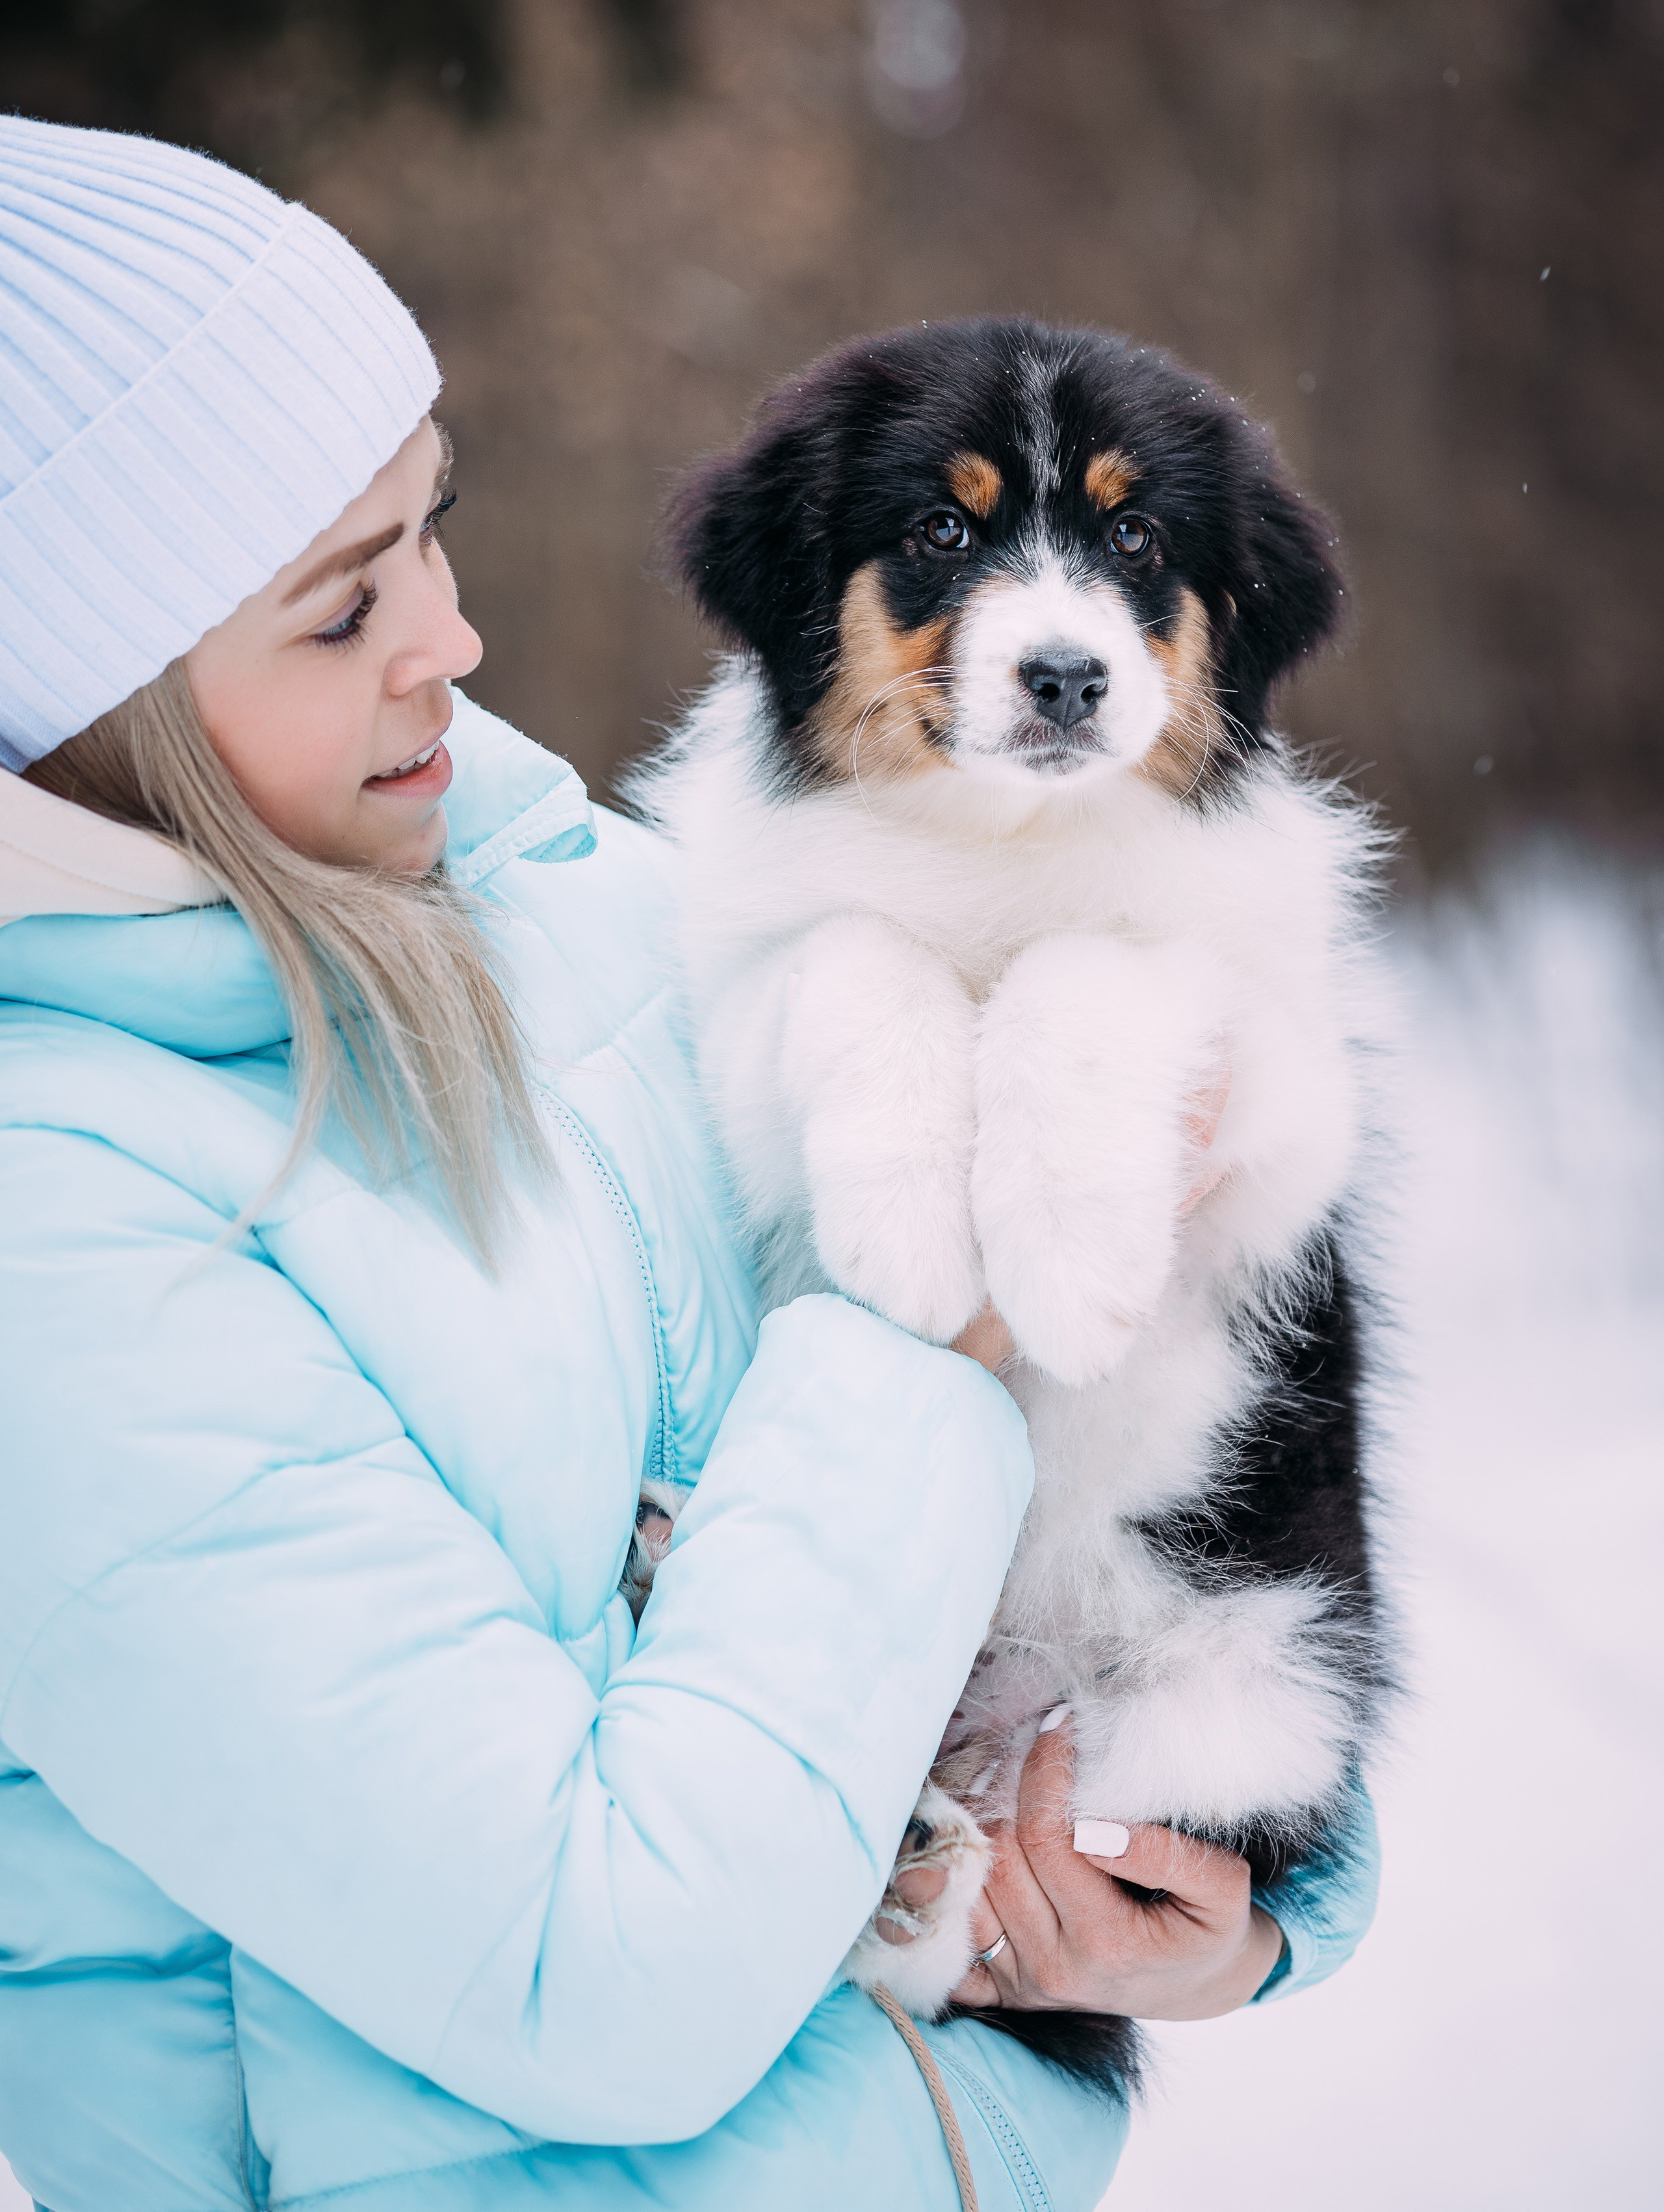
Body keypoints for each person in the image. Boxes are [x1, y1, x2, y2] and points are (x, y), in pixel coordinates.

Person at [0, 118, 1377, 2212]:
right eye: (342, 603)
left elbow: (1210, 1444)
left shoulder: (574, 907)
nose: (449, 641)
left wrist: (1252, 1915)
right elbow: (588, 1982)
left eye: (430, 529)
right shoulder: (58, 1248)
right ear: (93, 708)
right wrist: (952, 1330)